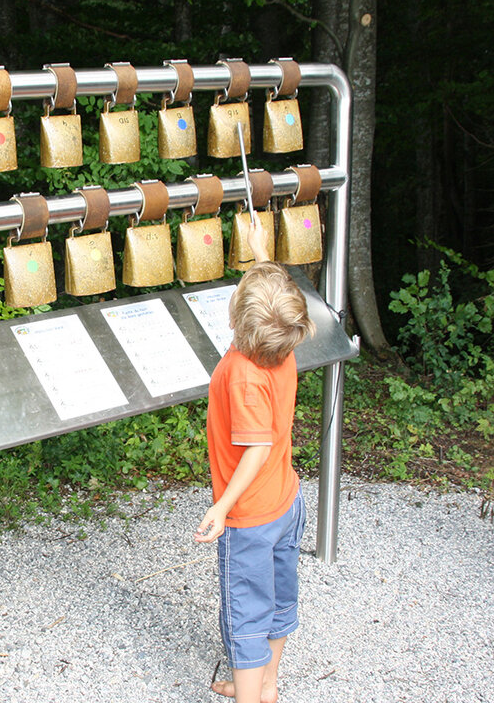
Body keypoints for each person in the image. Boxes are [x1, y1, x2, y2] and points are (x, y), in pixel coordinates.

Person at [194, 213, 315, 703]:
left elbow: (256, 448)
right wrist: (262, 251)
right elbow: (273, 302)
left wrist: (222, 508)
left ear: (233, 319)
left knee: (246, 613)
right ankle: (267, 684)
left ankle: (251, 694)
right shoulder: (279, 343)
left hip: (249, 518)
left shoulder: (244, 372)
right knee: (281, 597)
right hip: (287, 502)